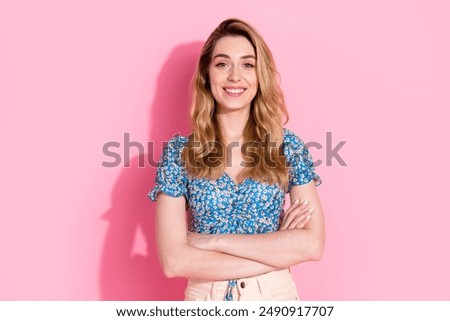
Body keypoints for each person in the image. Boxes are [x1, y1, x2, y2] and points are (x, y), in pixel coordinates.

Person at [148, 18, 325, 301]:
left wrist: (210, 241)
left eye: (247, 64)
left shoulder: (287, 147)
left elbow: (313, 245)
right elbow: (174, 261)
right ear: (207, 74)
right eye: (222, 64)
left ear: (260, 75)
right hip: (206, 301)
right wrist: (277, 252)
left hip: (274, 299)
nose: (234, 76)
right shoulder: (179, 154)